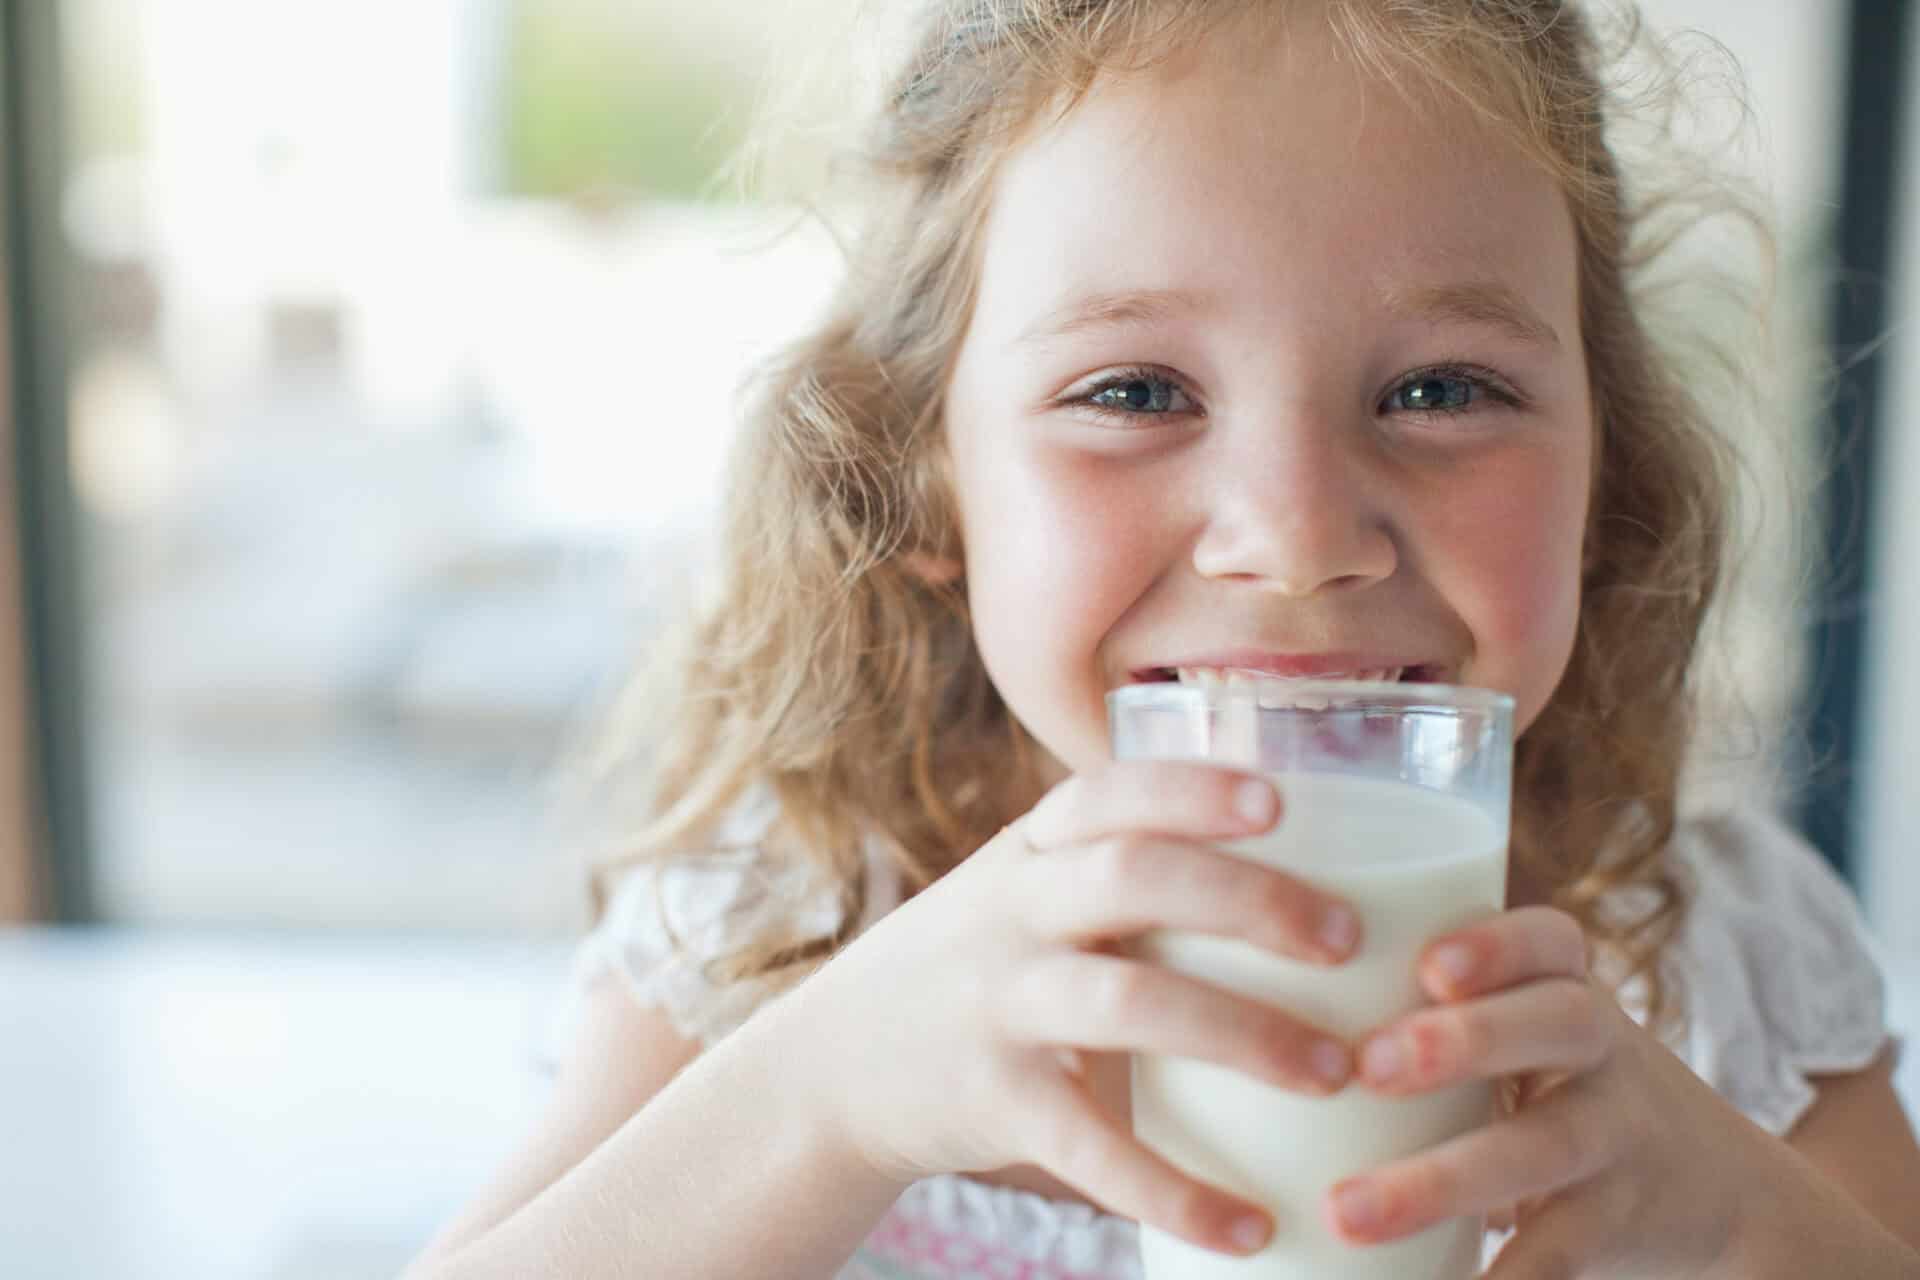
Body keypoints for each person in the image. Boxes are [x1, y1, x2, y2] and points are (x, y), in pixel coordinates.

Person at [405, 1, 1920, 1275]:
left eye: (1444, 390)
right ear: (921, 478)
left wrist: (1756, 1227)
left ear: (1609, 468)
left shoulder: (1708, 961)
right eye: (1135, 393)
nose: (1300, 535)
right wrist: (824, 1099)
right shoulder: (787, 928)